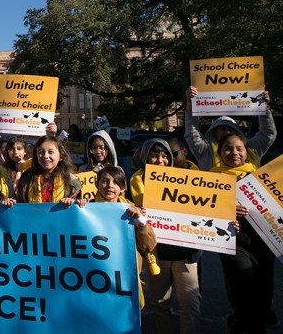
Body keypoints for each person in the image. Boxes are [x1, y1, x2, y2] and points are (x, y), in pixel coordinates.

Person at [130, 139, 201, 334]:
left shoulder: (187, 179)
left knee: (190, 306)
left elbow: (206, 208)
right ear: (145, 158)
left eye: (164, 156)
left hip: (185, 253)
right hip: (155, 253)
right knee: (160, 306)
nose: (159, 160)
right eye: (154, 155)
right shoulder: (134, 181)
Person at [212, 133, 275, 333]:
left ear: (247, 151)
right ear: (220, 153)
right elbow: (199, 213)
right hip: (233, 244)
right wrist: (226, 210)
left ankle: (243, 322)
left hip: (264, 245)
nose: (234, 153)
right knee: (243, 293)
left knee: (264, 292)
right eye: (228, 149)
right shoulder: (210, 180)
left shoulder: (261, 176)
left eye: (239, 148)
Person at [73, 166, 157, 310]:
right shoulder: (86, 208)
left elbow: (147, 246)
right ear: (97, 184)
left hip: (123, 277)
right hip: (94, 275)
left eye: (116, 182)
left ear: (123, 187)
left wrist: (141, 222)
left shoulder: (132, 210)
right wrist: (76, 209)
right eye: (105, 181)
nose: (110, 186)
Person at [184, 86, 276, 170]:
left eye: (231, 129)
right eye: (222, 129)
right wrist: (191, 104)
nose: (235, 153)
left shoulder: (251, 148)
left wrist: (264, 107)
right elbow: (191, 133)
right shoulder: (205, 151)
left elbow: (268, 133)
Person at [13, 136, 82, 204]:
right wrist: (11, 203)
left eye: (50, 152)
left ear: (61, 156)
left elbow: (79, 209)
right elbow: (20, 205)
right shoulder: (27, 178)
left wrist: (72, 203)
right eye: (41, 152)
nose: (45, 156)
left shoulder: (72, 182)